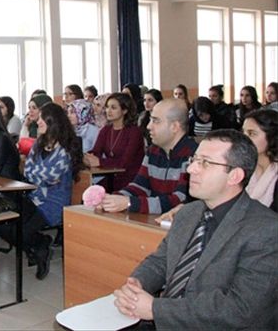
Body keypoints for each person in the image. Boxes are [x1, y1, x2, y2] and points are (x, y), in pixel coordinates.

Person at [113, 130, 278, 330]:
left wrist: (156, 309)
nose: (191, 168)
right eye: (194, 159)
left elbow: (240, 309)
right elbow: (161, 261)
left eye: (205, 163)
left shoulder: (266, 230)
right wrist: (137, 284)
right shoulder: (188, 213)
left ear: (234, 176)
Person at [1, 103, 84, 280]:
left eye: (41, 118)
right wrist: (37, 175)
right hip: (33, 197)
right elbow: (28, 171)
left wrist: (36, 175)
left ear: (53, 121)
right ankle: (39, 244)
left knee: (21, 231)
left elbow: (50, 177)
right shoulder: (39, 144)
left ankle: (38, 246)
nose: (37, 121)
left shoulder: (65, 149)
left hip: (52, 204)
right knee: (3, 226)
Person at [101, 98, 198, 214]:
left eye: (155, 121)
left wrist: (129, 203)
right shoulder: (153, 150)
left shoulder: (193, 155)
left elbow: (180, 200)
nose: (148, 126)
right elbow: (140, 186)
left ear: (175, 127)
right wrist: (112, 199)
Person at [84, 93, 144, 192]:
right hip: (113, 177)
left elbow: (125, 162)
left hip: (131, 178)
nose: (108, 111)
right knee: (88, 194)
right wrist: (86, 157)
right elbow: (96, 152)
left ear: (124, 110)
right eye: (107, 107)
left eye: (113, 107)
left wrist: (100, 162)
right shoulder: (106, 130)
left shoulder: (134, 132)